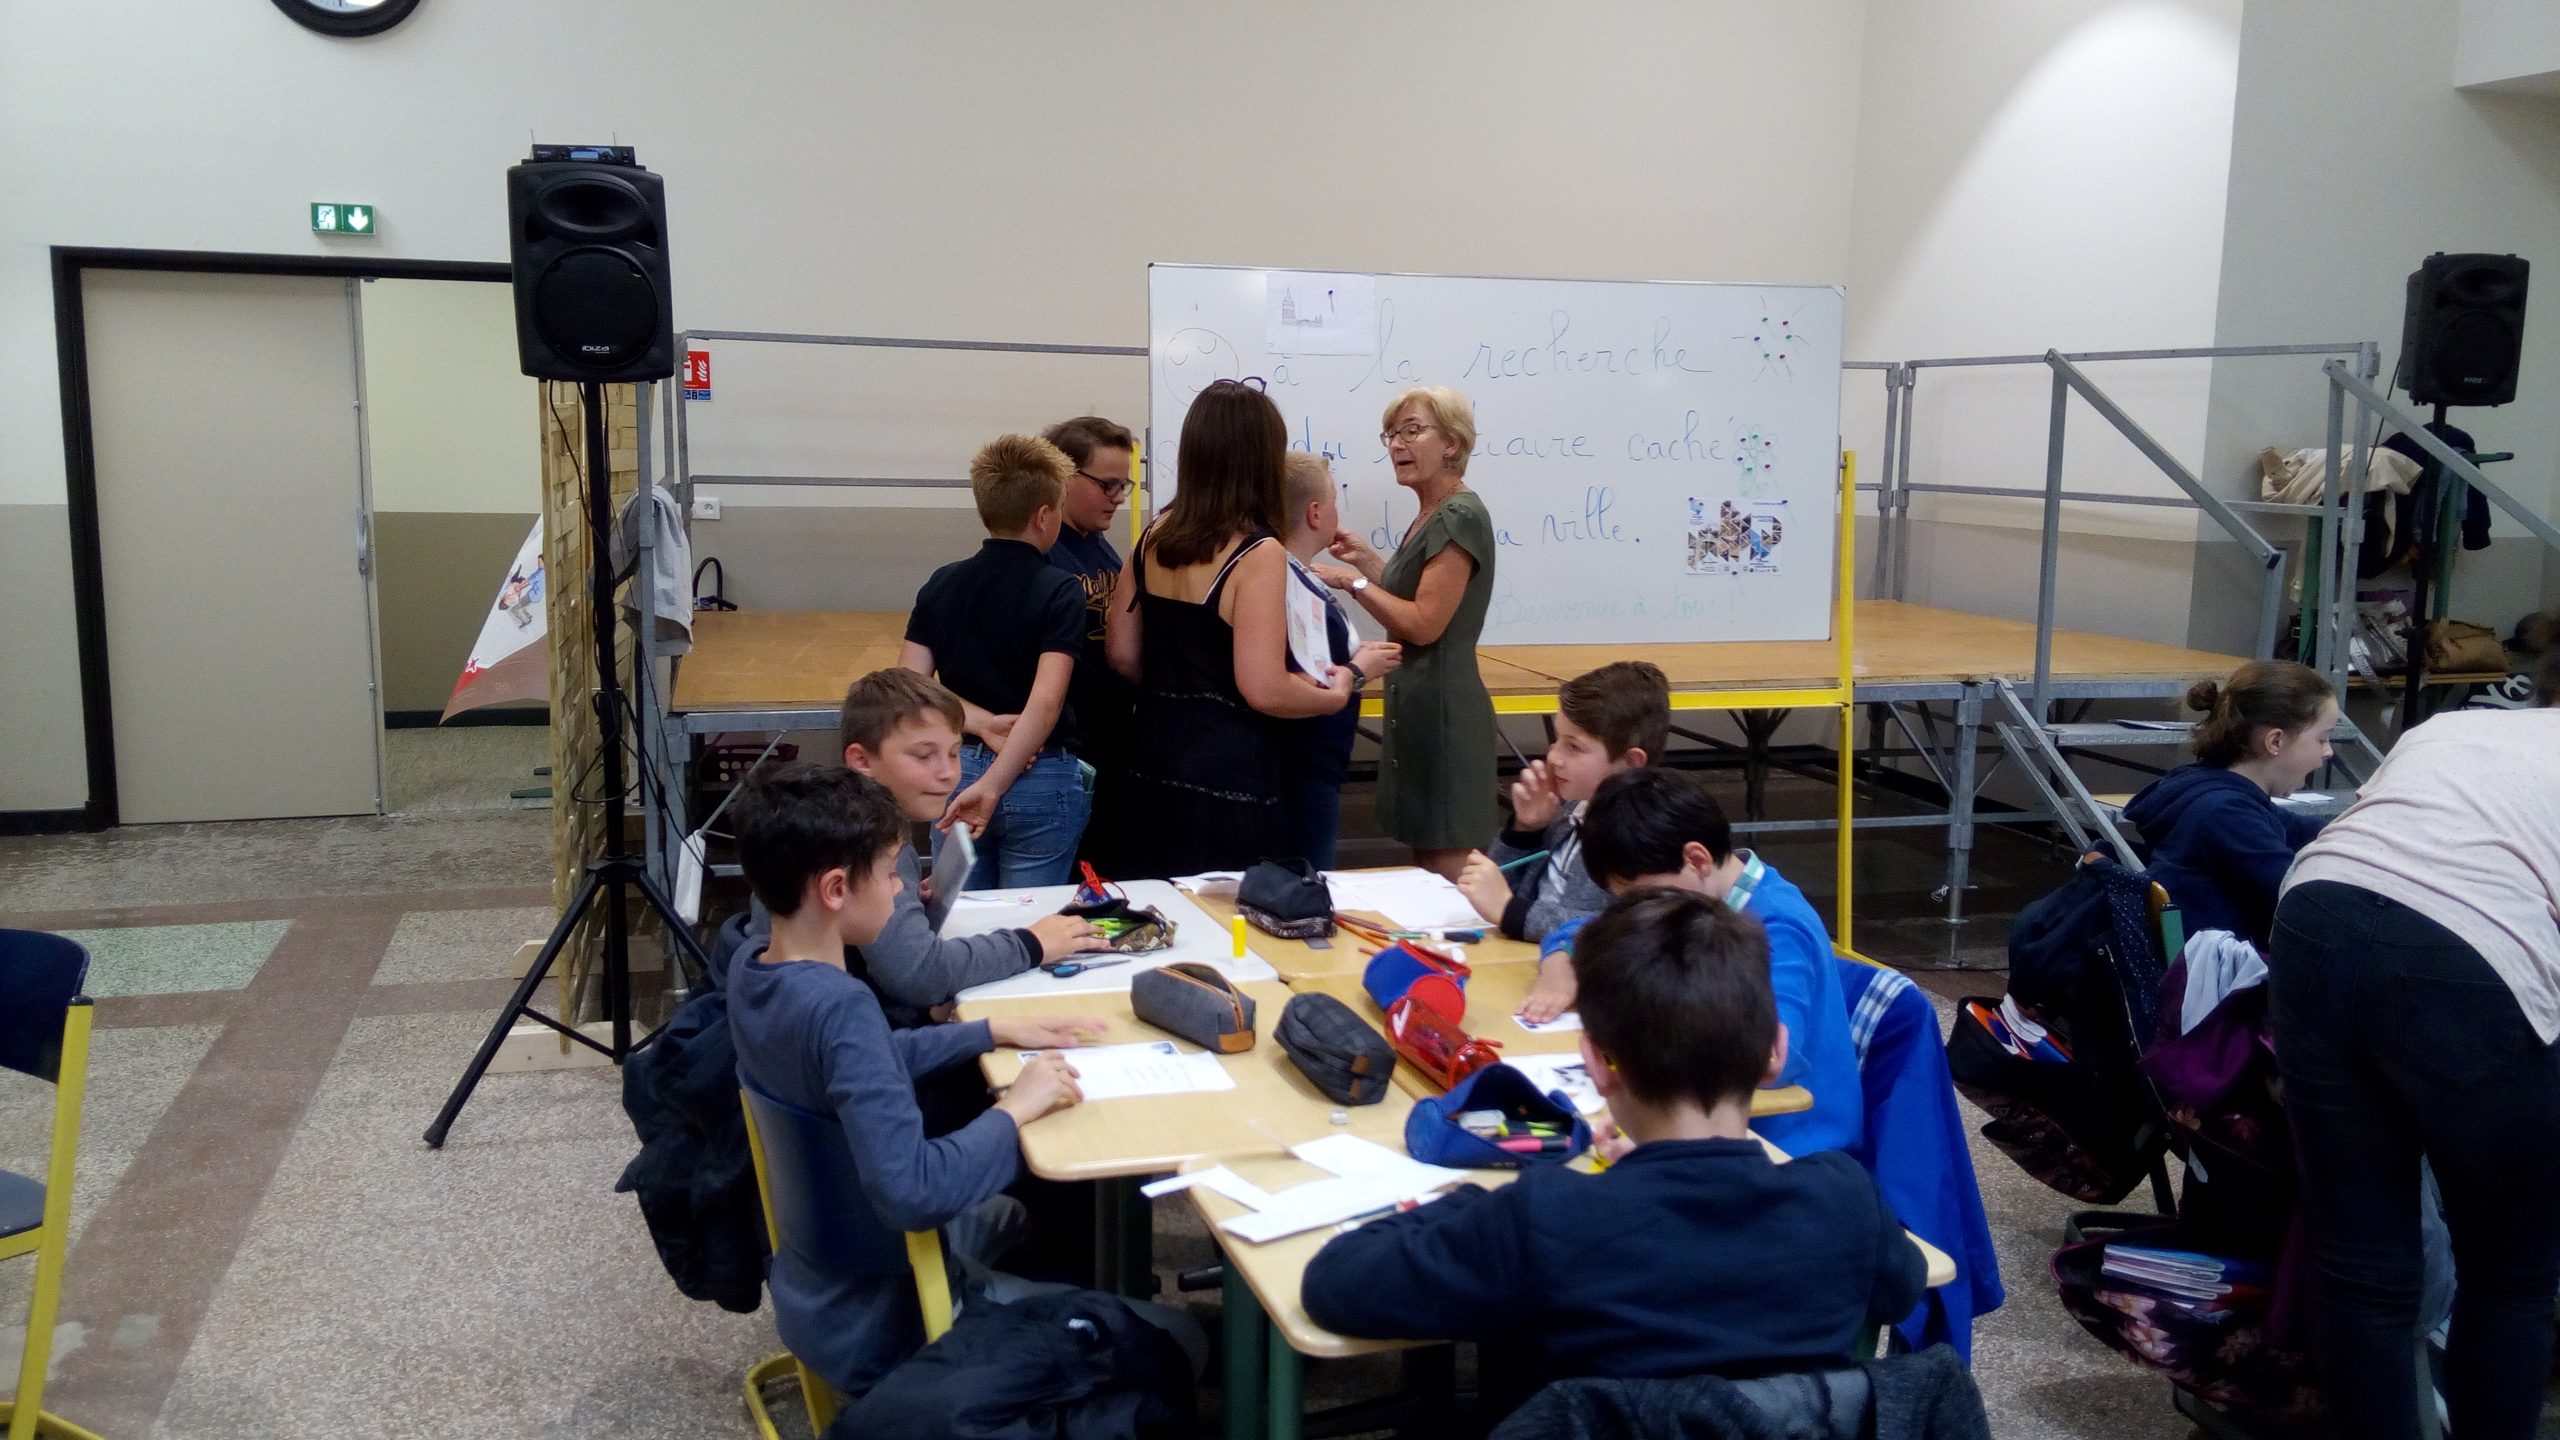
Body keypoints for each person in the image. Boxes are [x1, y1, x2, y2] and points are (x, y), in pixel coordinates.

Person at [1301, 889, 1925, 1414]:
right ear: (1775, 1053)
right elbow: (1899, 1288)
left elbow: (1334, 1284)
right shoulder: (1846, 1202)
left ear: (1596, 1063)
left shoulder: (1547, 1218)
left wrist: (1470, 1203)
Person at [2266, 609, 2560, 1440]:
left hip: (2316, 917)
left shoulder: (2454, 729)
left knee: (2363, 1262)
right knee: (2511, 1271)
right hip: (2464, 953)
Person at [722, 760, 1105, 1398]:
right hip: (890, 1317)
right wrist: (1015, 1109)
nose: (902, 890)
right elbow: (915, 1192)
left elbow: (866, 1061)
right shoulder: (841, 1007)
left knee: (1008, 1217)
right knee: (1178, 1341)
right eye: (890, 873)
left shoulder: (753, 967)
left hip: (814, 1294)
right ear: (836, 889)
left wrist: (989, 1032)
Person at [1105, 380, 1358, 878]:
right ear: (1262, 460)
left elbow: (1121, 653)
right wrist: (1333, 696)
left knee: (1159, 903)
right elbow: (1263, 687)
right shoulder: (1257, 552)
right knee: (1227, 913)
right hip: (1227, 773)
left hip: (1152, 756)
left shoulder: (1153, 534)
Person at [1539, 766, 1862, 1156]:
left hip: (1790, 1146)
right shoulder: (1690, 903)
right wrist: (1559, 961)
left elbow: (1772, 1056)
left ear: (1696, 859)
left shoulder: (1779, 925)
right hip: (1712, 1128)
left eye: (1643, 897)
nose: (1637, 914)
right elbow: (1582, 928)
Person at [834, 668, 1112, 1026]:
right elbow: (919, 975)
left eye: (953, 753)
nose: (947, 772)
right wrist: (1032, 943)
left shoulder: (855, 818)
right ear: (861, 761)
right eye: (924, 755)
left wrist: (901, 899)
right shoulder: (871, 841)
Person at [1316, 385, 1498, 880]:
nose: (1397, 444)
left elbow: (1423, 624)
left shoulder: (1460, 514)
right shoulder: (1431, 513)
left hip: (1444, 711)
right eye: (1392, 434)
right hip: (1419, 704)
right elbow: (1412, 594)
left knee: (1446, 868)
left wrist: (1350, 582)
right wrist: (1366, 561)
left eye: (1413, 431)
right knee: (1425, 865)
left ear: (1452, 443)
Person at [901, 434, 1091, 888]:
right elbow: (1045, 703)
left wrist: (982, 724)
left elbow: (908, 686)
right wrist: (995, 784)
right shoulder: (1060, 588)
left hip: (957, 769)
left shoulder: (942, 582)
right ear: (1042, 516)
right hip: (1039, 773)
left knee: (960, 915)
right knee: (1029, 920)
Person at [2121, 660, 2338, 946]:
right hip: (2221, 971)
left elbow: (2304, 829)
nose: (2328, 751)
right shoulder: (2226, 813)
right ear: (2275, 741)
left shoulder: (2211, 789)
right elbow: (2300, 897)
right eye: (2322, 738)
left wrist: (2365, 830)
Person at [1454, 660, 1669, 947]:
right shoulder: (1571, 808)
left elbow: (1617, 929)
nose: (1554, 756)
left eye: (1574, 747)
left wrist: (1510, 910)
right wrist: (1525, 832)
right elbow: (1495, 897)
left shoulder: (1641, 837)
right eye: (1557, 740)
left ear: (1631, 762)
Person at [1277, 451, 1401, 865]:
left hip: (1314, 764)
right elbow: (1312, 676)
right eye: (1333, 502)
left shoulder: (1300, 574)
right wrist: (1360, 669)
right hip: (1303, 766)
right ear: (1315, 513)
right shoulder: (1288, 582)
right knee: (1306, 878)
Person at [1041, 416, 1141, 872]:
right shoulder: (1044, 553)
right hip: (1068, 747)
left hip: (1109, 738)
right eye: (1107, 485)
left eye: (1124, 486)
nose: (1118, 498)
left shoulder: (1099, 546)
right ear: (1063, 477)